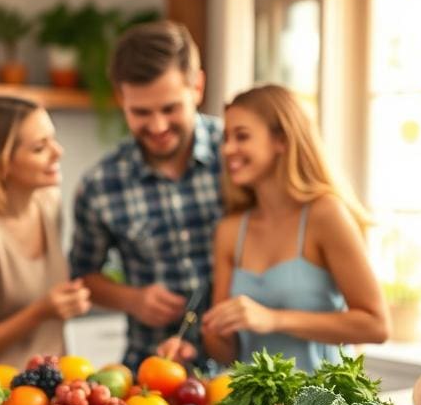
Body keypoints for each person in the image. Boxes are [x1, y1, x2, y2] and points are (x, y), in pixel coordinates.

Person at [162, 84, 389, 371]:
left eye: (242, 136)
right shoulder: (231, 230)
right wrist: (206, 338)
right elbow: (226, 354)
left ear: (281, 140)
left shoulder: (325, 214)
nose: (228, 149)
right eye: (226, 138)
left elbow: (377, 325)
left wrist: (273, 319)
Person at [69, 21, 223, 370]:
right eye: (140, 112)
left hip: (247, 371)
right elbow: (82, 276)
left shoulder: (238, 156)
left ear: (197, 86)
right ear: (121, 99)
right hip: (152, 375)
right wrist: (133, 299)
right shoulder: (101, 184)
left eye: (170, 108)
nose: (157, 126)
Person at [0, 96, 91, 367]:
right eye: (39, 148)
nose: (58, 152)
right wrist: (41, 311)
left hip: (51, 390)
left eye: (53, 139)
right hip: (1, 399)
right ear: (2, 164)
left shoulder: (48, 203)